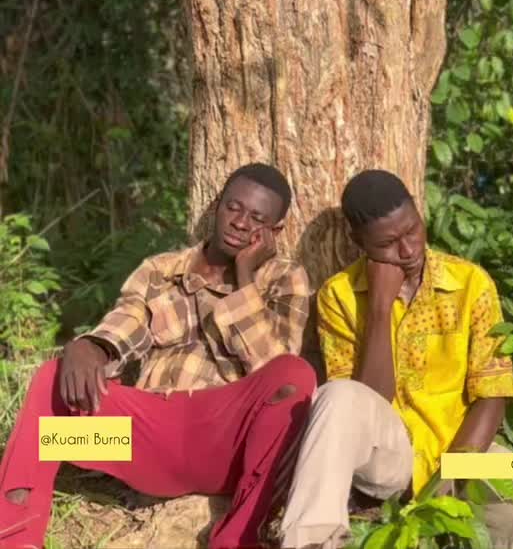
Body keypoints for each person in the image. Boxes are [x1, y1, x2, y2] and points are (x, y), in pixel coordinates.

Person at [279, 169, 513, 549]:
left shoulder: (469, 283)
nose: (408, 250)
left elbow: (492, 393)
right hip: (391, 459)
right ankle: (310, 542)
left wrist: (450, 476)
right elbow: (367, 402)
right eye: (388, 243)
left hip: (465, 451)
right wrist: (380, 307)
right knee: (338, 396)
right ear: (359, 242)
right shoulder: (339, 296)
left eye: (412, 230)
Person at [0, 163, 316, 549]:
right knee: (51, 395)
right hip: (139, 445)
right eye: (233, 208)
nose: (239, 222)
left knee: (296, 375)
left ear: (274, 232)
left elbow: (274, 370)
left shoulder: (284, 278)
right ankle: (14, 537)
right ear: (217, 205)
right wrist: (92, 345)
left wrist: (245, 279)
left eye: (256, 219)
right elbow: (125, 322)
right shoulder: (161, 270)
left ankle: (236, 540)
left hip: (228, 453)